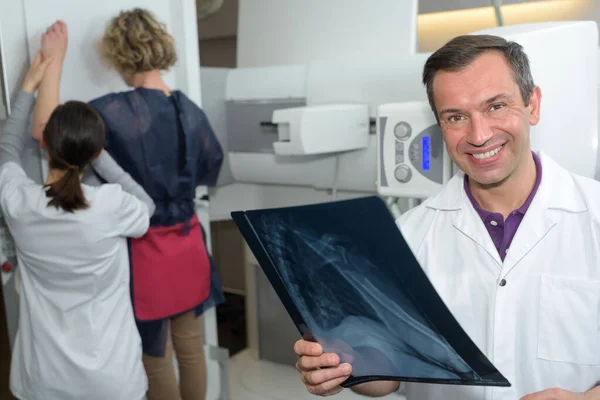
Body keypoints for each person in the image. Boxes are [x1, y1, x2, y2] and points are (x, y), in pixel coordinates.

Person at [293, 34, 600, 400]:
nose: (479, 135)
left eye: (496, 106)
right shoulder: (406, 239)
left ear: (532, 104)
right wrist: (344, 367)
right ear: (439, 125)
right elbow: (389, 374)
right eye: (456, 116)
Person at [32, 9, 224, 400]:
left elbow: (47, 133)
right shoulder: (192, 111)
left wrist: (53, 62)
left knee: (154, 358)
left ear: (119, 54)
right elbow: (211, 168)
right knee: (190, 350)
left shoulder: (110, 112)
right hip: (189, 245)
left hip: (147, 251)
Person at [1, 29, 155, 400]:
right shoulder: (110, 205)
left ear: (47, 145)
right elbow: (146, 206)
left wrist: (28, 87)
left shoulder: (21, 203)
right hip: (113, 379)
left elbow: (6, 152)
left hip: (43, 379)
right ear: (93, 152)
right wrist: (96, 152)